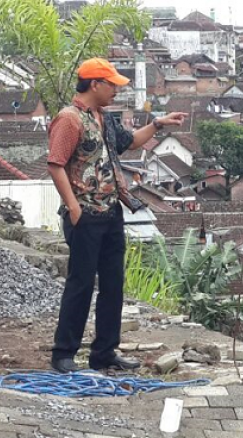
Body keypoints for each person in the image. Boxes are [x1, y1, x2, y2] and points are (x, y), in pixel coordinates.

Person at [47, 58, 185, 373]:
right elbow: (56, 164)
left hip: (111, 211)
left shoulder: (104, 118)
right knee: (81, 283)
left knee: (113, 284)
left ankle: (104, 352)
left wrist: (158, 124)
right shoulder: (70, 119)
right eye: (111, 85)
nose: (115, 91)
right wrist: (73, 206)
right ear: (95, 84)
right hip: (85, 212)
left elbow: (129, 142)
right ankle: (63, 352)